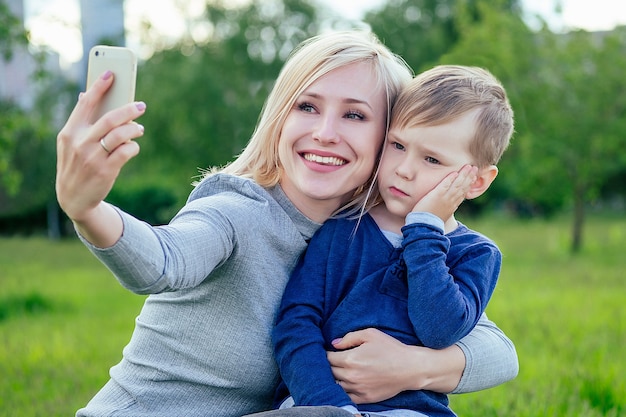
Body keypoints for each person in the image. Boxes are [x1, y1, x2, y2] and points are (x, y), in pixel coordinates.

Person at [55, 30, 517, 417]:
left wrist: (413, 368)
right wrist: (88, 208)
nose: (325, 132)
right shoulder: (237, 211)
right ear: (280, 118)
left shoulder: (370, 235)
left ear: (385, 137)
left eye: (355, 115)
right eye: (307, 107)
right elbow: (162, 261)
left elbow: (499, 352)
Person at [267, 65, 515, 417]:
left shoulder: (476, 254)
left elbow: (439, 330)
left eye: (431, 159)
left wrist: (425, 229)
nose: (404, 169)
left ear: (476, 182)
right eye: (397, 145)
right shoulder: (344, 228)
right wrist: (332, 405)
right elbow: (296, 323)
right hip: (317, 402)